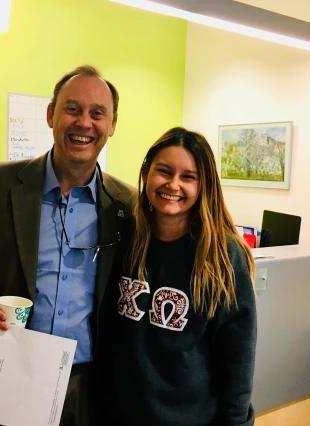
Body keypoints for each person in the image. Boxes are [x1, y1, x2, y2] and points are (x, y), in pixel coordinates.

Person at [0, 65, 136, 426]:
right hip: (2, 368)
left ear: (112, 124)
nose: (84, 123)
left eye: (98, 113)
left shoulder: (126, 204)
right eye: (72, 109)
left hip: (86, 384)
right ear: (51, 114)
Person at [100, 127, 257, 426]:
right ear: (147, 172)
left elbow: (238, 360)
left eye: (188, 177)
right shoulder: (125, 237)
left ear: (204, 185)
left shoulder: (222, 255)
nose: (173, 184)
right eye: (164, 171)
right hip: (117, 415)